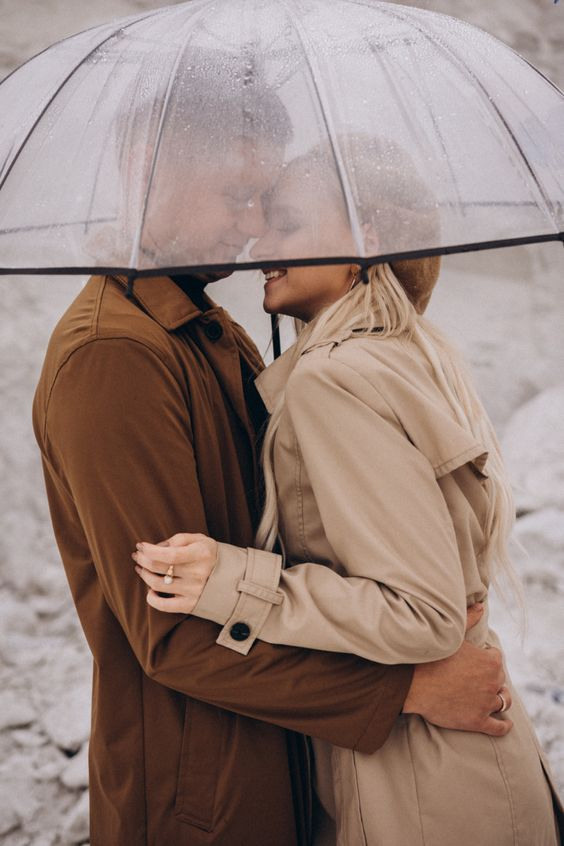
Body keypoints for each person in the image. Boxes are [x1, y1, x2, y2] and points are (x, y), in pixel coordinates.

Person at [33, 64, 512, 845]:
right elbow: (172, 634)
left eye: (267, 200)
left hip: (282, 752)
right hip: (201, 795)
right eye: (238, 195)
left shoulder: (213, 334)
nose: (255, 225)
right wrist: (407, 689)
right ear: (146, 170)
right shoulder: (113, 356)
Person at [133, 136, 563, 845]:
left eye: (288, 224)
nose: (261, 243)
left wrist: (233, 583)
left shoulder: (336, 379)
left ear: (369, 240)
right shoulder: (401, 354)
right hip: (453, 766)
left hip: (423, 789)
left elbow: (421, 615)